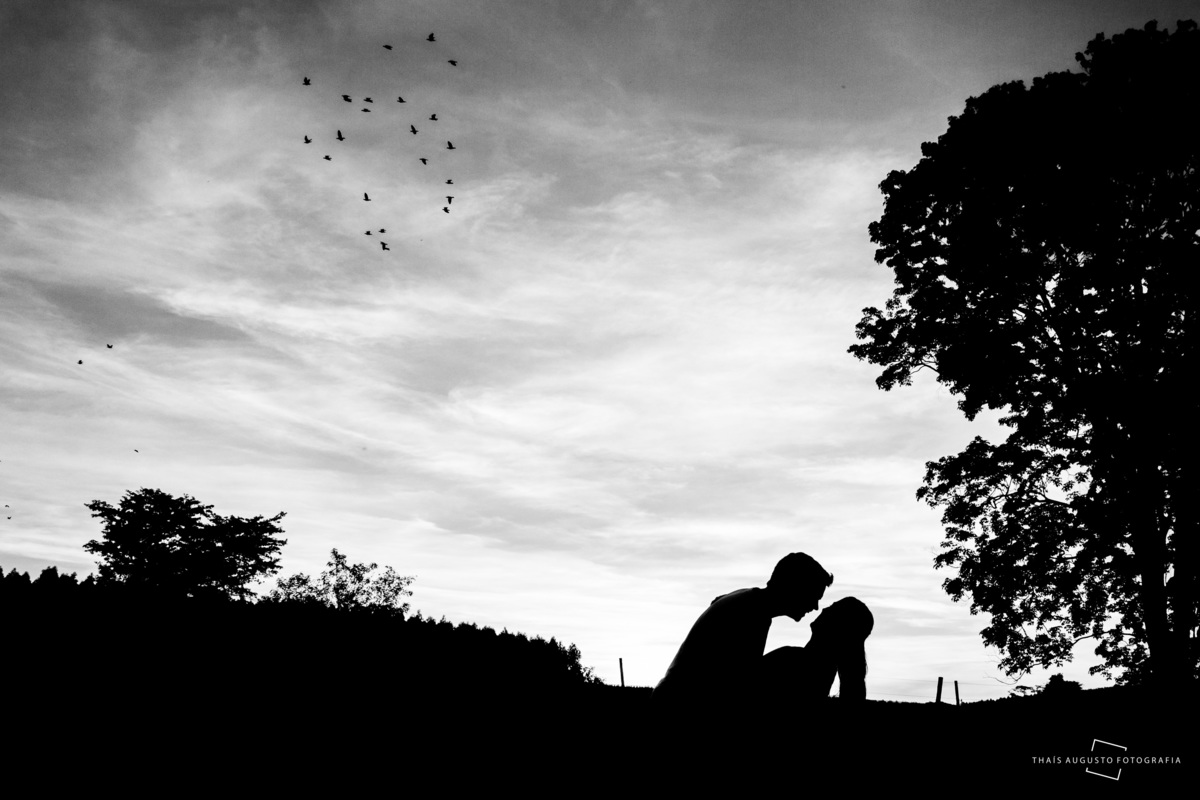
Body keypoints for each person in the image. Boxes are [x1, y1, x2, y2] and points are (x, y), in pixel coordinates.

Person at [652, 552, 833, 717]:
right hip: (680, 707)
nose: (815, 607)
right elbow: (738, 685)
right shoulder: (752, 614)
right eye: (814, 596)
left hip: (673, 700)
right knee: (791, 658)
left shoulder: (748, 600)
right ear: (795, 587)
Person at [760, 596, 874, 705]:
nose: (824, 609)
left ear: (839, 626)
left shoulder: (793, 660)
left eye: (832, 609)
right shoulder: (822, 670)